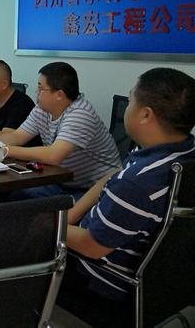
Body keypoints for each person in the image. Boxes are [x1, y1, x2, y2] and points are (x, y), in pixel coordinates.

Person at [58, 68, 195, 327]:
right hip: (167, 283)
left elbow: (91, 246)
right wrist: (69, 217)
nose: (127, 107)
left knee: (19, 240)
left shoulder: (138, 183)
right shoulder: (181, 152)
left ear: (145, 114)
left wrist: (47, 224)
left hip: (102, 281)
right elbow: (111, 177)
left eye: (131, 99)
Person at [0, 62, 120, 200]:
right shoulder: (42, 109)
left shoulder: (80, 113)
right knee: (12, 194)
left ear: (59, 94)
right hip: (62, 181)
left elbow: (53, 155)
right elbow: (18, 136)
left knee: (20, 199)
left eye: (41, 88)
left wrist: (3, 150)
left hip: (95, 191)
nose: (36, 92)